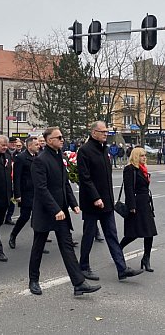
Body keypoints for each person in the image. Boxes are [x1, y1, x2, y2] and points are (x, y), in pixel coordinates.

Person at [28, 126, 101, 296]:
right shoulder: (41, 160)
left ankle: (78, 283)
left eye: (62, 137)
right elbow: (41, 188)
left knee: (67, 246)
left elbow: (64, 183)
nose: (62, 139)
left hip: (61, 211)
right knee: (38, 247)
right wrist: (55, 209)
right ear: (49, 140)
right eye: (58, 137)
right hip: (46, 211)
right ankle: (33, 280)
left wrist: (73, 203)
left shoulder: (58, 155)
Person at [77, 121, 143, 281]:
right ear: (93, 132)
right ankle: (84, 267)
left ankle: (122, 269)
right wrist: (96, 197)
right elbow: (85, 178)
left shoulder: (104, 149)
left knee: (112, 235)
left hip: (106, 202)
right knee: (89, 234)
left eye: (106, 131)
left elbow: (106, 178)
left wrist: (108, 199)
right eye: (103, 131)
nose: (106, 134)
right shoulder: (85, 151)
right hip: (92, 202)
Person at [119, 147, 157, 272]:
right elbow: (128, 189)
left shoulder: (143, 169)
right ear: (135, 156)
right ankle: (118, 250)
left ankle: (146, 259)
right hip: (136, 204)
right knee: (132, 233)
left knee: (149, 232)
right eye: (142, 155)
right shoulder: (130, 169)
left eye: (145, 155)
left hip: (145, 203)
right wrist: (132, 206)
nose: (144, 157)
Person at [9, 137, 40, 249]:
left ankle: (39, 244)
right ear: (29, 146)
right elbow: (17, 178)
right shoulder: (21, 158)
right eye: (36, 144)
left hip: (38, 192)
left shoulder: (39, 156)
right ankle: (13, 235)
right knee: (24, 217)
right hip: (26, 192)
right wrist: (17, 195)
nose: (38, 146)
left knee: (38, 218)